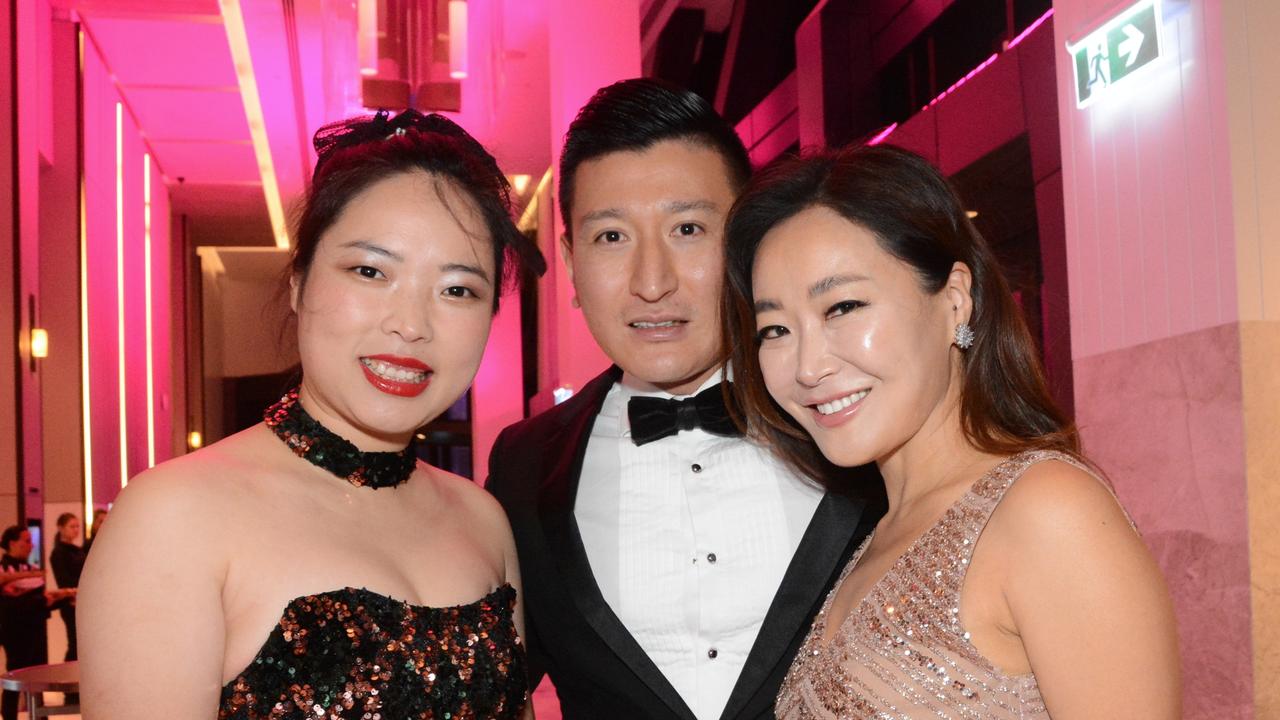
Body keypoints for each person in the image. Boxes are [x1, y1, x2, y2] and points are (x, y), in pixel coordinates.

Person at [78, 110, 545, 719]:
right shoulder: (174, 516)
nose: (410, 324)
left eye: (457, 289)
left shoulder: (484, 519)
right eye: (370, 271)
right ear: (299, 281)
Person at [721, 145, 1180, 718]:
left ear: (955, 301)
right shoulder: (878, 533)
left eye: (842, 307)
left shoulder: (1047, 511)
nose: (808, 366)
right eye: (775, 329)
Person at [485, 78, 883, 720]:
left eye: (689, 228)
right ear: (571, 264)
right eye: (611, 237)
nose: (652, 282)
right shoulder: (524, 467)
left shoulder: (852, 415)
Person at [1, 526, 73, 720]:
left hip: (37, 630)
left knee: (39, 677)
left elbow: (40, 601)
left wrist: (64, 598)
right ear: (11, 543)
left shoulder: (30, 569)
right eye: (26, 540)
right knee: (15, 676)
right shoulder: (4, 569)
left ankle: (40, 717)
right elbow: (14, 603)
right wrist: (45, 598)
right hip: (15, 632)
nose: (31, 545)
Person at [49, 513, 85, 662]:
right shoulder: (58, 553)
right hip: (70, 601)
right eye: (72, 526)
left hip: (81, 599)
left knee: (81, 642)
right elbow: (63, 579)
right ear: (61, 528)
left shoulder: (77, 550)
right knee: (75, 642)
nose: (76, 530)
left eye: (77, 526)